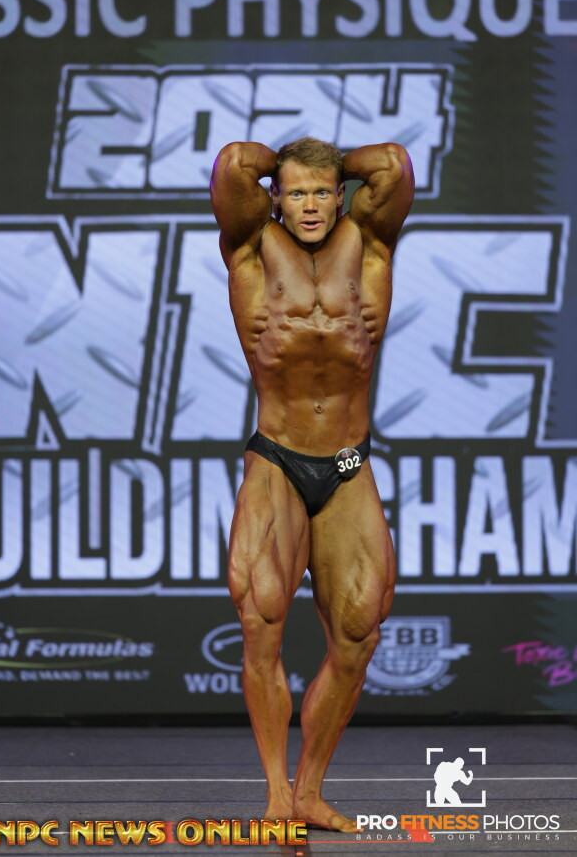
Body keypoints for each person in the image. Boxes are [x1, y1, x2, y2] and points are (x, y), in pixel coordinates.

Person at [210, 136, 414, 832]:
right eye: (295, 192)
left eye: (322, 192)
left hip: (349, 464)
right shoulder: (250, 247)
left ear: (340, 195)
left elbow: (393, 164)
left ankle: (310, 791)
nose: (309, 205)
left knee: (359, 632)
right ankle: (276, 792)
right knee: (261, 619)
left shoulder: (371, 243)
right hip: (278, 458)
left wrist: (329, 163)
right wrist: (289, 167)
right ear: (275, 196)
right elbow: (234, 162)